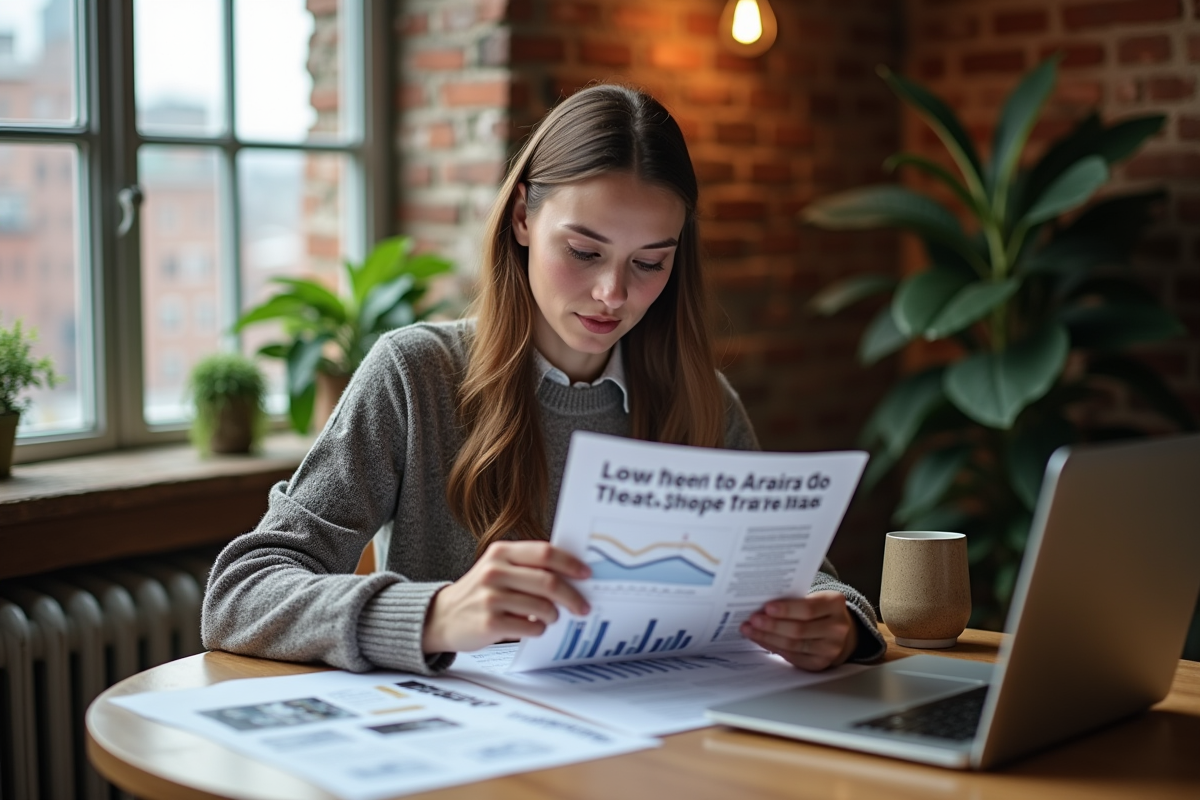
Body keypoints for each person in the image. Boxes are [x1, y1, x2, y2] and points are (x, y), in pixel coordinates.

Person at [201, 84, 886, 676]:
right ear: (524, 216)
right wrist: (436, 614)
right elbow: (239, 594)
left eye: (649, 263)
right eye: (584, 251)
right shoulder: (416, 375)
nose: (612, 293)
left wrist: (842, 624)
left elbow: (812, 583)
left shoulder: (701, 399)